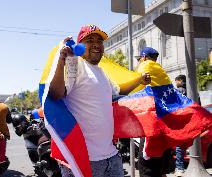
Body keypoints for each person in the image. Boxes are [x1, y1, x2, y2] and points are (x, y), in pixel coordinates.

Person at [48, 24, 151, 177]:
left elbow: (118, 91)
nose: (96, 44)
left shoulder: (101, 72)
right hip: (84, 160)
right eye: (90, 40)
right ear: (80, 45)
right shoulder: (75, 65)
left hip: (111, 156)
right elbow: (56, 93)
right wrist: (62, 59)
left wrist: (140, 80)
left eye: (99, 40)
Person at [136, 47, 175, 177]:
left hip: (152, 126)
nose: (139, 62)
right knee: (161, 168)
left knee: (147, 168)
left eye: (140, 59)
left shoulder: (146, 66)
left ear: (145, 57)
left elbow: (136, 87)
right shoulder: (162, 72)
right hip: (166, 125)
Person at [174, 75, 186, 177]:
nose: (175, 82)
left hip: (180, 122)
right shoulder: (193, 91)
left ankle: (179, 168)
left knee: (179, 146)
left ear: (180, 81)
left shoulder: (178, 91)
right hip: (189, 121)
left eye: (176, 81)